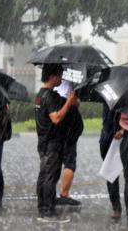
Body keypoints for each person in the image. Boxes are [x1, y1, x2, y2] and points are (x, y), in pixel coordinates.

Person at [34, 64, 78, 222]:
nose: (61, 79)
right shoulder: (50, 96)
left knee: (44, 176)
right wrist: (68, 103)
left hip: (43, 141)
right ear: (52, 76)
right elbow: (56, 118)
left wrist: (70, 102)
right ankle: (48, 212)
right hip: (52, 143)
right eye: (59, 75)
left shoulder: (40, 95)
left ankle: (42, 208)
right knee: (50, 177)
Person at [54, 81, 84, 207]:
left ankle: (49, 194)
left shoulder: (54, 85)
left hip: (56, 122)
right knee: (69, 161)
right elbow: (74, 103)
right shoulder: (72, 80)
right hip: (68, 122)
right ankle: (64, 194)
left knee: (55, 158)